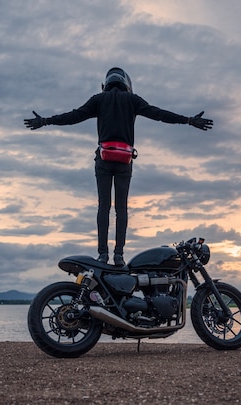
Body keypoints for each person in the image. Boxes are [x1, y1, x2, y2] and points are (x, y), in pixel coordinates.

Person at [24, 67, 213, 266]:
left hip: (103, 160)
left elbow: (73, 116)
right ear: (127, 84)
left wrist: (45, 121)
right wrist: (188, 120)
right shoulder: (133, 100)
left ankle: (103, 254)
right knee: (121, 208)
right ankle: (119, 255)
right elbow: (159, 114)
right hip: (124, 161)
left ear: (105, 84)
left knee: (103, 206)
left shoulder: (98, 99)